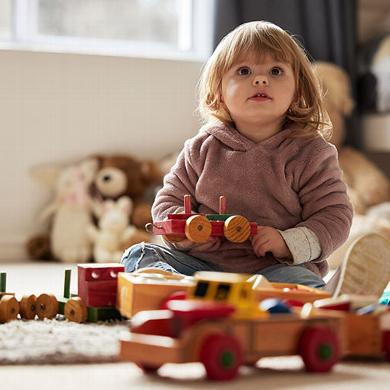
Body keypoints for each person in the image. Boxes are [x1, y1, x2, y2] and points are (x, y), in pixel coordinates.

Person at [122, 21, 390, 295]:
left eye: (276, 71)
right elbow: (167, 202)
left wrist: (287, 243)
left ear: (297, 91)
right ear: (219, 93)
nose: (260, 80)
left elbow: (334, 215)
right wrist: (187, 232)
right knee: (139, 254)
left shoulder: (311, 152)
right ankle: (177, 291)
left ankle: (325, 296)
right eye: (244, 71)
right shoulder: (201, 148)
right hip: (202, 266)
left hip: (273, 270)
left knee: (301, 283)